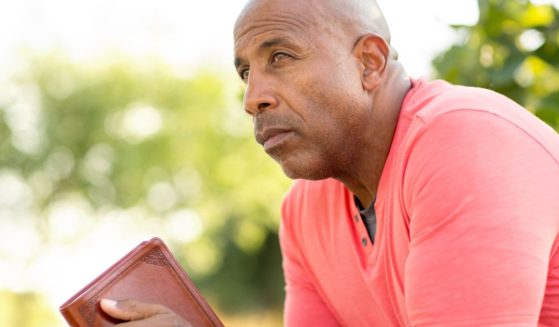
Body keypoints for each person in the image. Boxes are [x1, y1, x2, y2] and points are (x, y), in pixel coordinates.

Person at [100, 0, 559, 325]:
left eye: (279, 56)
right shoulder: (304, 211)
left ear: (369, 63)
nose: (252, 98)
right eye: (245, 73)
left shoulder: (466, 139)